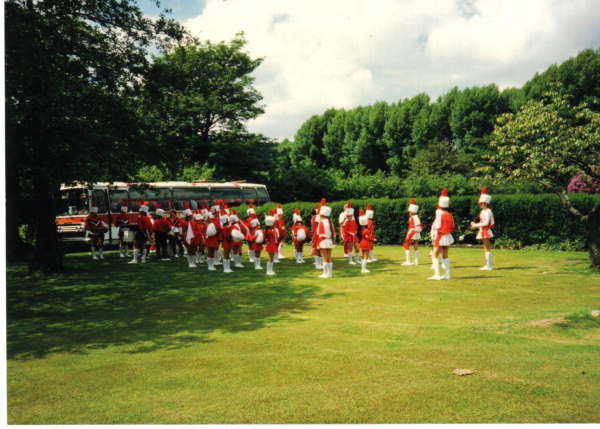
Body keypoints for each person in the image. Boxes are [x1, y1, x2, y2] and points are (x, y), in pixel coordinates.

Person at [429, 188, 454, 280]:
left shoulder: (439, 214)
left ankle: (437, 275)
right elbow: (452, 226)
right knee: (445, 255)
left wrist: (433, 234)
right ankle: (447, 274)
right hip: (447, 236)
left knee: (434, 255)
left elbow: (437, 225)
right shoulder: (449, 214)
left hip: (440, 236)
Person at [470, 187, 495, 270]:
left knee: (487, 247)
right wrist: (475, 224)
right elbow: (482, 222)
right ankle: (487, 265)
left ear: (485, 203)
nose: (480, 204)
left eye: (481, 203)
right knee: (485, 248)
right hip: (483, 230)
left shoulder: (488, 211)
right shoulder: (483, 211)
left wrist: (475, 225)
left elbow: (486, 223)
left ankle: (489, 265)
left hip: (486, 231)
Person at [316, 198, 335, 278]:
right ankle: (329, 274)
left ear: (322, 215)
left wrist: (317, 244)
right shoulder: (331, 223)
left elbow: (319, 233)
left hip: (323, 241)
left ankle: (325, 273)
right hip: (329, 241)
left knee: (324, 258)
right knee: (329, 258)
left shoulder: (321, 222)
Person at [402, 198, 422, 266]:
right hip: (417, 233)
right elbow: (420, 227)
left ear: (413, 212)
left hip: (412, 233)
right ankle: (416, 261)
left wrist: (408, 234)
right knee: (416, 247)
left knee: (406, 245)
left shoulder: (412, 218)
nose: (409, 213)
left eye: (410, 212)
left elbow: (411, 227)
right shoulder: (417, 217)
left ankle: (408, 261)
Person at [205, 204, 223, 271]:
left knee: (212, 252)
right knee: (210, 252)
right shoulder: (213, 220)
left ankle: (212, 265)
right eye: (217, 212)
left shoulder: (216, 219)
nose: (218, 213)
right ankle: (210, 266)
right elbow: (217, 227)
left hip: (215, 237)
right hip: (211, 237)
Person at [358, 209, 374, 273]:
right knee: (366, 256)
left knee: (362, 255)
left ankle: (363, 268)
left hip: (362, 242)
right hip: (366, 243)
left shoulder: (362, 229)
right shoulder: (366, 230)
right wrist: (373, 239)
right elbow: (368, 238)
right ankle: (363, 269)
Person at [264, 211, 280, 275]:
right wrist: (275, 231)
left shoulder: (269, 230)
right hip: (271, 245)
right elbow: (275, 236)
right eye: (273, 224)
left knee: (272, 259)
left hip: (272, 244)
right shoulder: (269, 231)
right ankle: (268, 271)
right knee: (270, 259)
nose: (274, 225)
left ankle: (271, 270)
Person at [311, 204, 323, 269]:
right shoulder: (317, 227)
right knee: (317, 251)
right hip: (317, 239)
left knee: (320, 252)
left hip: (319, 239)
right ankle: (317, 264)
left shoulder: (319, 226)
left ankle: (319, 264)